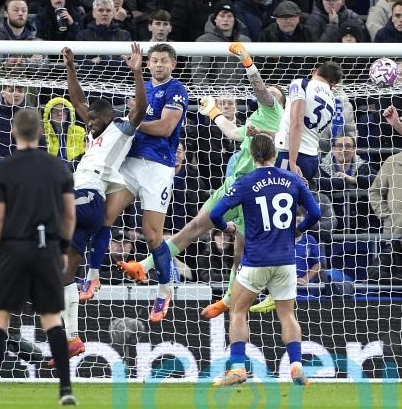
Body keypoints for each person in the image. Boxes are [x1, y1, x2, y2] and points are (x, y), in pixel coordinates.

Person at [118, 43, 283, 321]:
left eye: (274, 95)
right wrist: (215, 113)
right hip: (234, 185)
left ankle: (229, 299)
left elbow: (262, 91)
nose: (266, 95)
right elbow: (232, 132)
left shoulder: (274, 113)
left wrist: (248, 63)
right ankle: (144, 266)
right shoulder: (256, 117)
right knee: (195, 226)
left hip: (256, 189)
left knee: (240, 251)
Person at [0, 108, 77, 407]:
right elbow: (70, 214)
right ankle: (66, 390)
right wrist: (62, 248)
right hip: (46, 248)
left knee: (0, 317)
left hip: (12, 248)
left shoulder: (3, 168)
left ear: (13, 132)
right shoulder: (58, 168)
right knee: (51, 319)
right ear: (41, 133)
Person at [209, 133, 321, 387]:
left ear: (251, 155)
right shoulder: (292, 179)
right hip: (286, 260)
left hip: (256, 259)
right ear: (274, 154)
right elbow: (316, 212)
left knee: (238, 311)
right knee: (287, 315)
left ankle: (237, 368)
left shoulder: (245, 181)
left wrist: (227, 228)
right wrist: (300, 229)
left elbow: (215, 213)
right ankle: (296, 366)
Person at [57, 44, 146, 358]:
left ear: (109, 117)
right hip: (85, 209)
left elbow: (140, 110)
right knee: (64, 274)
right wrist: (70, 66)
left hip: (88, 199)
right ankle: (71, 340)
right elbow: (79, 101)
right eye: (89, 119)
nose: (89, 122)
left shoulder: (121, 131)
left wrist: (137, 71)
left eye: (94, 119)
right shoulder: (96, 134)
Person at [94, 43, 187, 322]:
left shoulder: (176, 90)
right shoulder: (141, 87)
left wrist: (132, 122)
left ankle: (163, 291)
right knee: (103, 217)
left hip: (158, 167)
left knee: (152, 235)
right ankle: (92, 276)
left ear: (173, 64)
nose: (158, 65)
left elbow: (165, 128)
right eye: (154, 60)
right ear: (147, 64)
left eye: (163, 61)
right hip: (131, 163)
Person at [274, 61, 342, 180]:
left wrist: (292, 161)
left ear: (313, 71)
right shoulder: (333, 101)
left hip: (291, 155)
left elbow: (297, 122)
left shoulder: (302, 84)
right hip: (312, 158)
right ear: (333, 84)